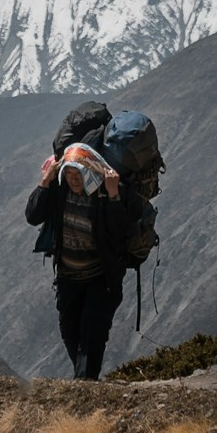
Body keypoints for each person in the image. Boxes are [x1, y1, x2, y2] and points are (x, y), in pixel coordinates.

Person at [25, 127, 135, 380]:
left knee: (91, 333)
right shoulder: (60, 190)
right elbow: (32, 216)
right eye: (70, 174)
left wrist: (114, 194)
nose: (74, 180)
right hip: (68, 277)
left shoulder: (104, 193)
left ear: (89, 171)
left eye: (79, 174)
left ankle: (84, 387)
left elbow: (120, 233)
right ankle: (86, 382)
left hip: (100, 278)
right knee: (70, 332)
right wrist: (46, 181)